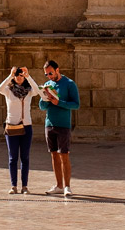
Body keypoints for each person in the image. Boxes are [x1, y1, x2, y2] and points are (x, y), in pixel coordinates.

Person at [39, 60, 79, 197]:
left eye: (50, 73)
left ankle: (67, 186)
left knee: (64, 155)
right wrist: (45, 99)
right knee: (54, 155)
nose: (49, 76)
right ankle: (59, 185)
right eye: (46, 74)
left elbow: (76, 104)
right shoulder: (47, 85)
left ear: (57, 70)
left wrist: (59, 102)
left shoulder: (69, 84)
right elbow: (42, 107)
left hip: (63, 125)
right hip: (49, 124)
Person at [0, 66, 41, 194]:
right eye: (17, 75)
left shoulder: (28, 91)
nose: (19, 77)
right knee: (13, 158)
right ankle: (13, 185)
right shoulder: (9, 90)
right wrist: (10, 75)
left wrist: (28, 76)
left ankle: (25, 186)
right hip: (12, 126)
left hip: (26, 126)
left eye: (21, 75)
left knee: (25, 157)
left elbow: (37, 90)